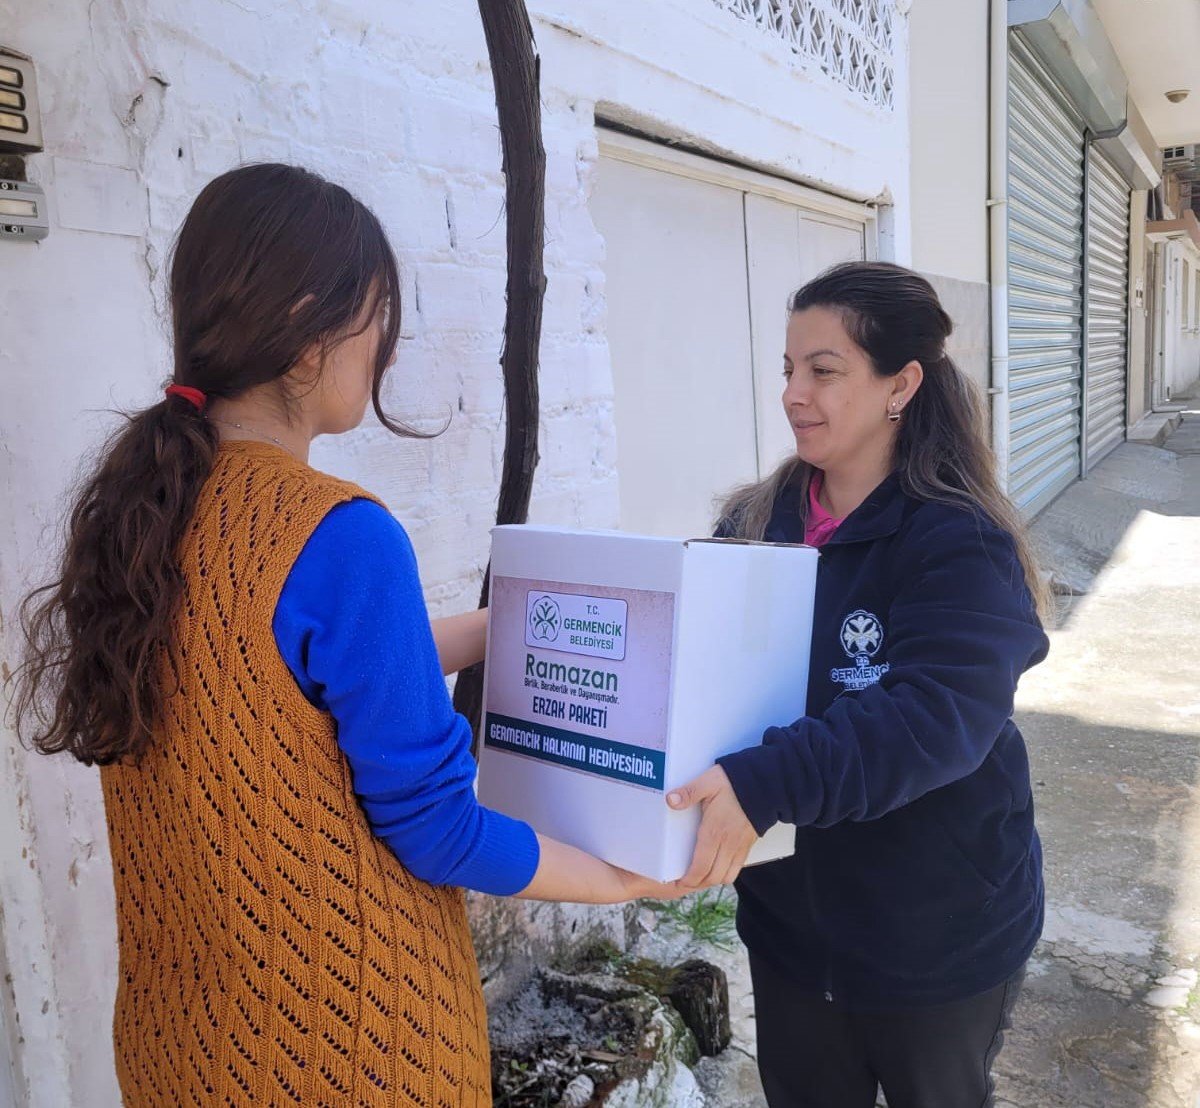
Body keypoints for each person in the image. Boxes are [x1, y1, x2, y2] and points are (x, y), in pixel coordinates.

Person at [12, 163, 682, 1107]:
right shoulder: (339, 532)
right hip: (348, 1049)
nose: (385, 350)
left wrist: (494, 630)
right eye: (376, 318)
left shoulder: (138, 511)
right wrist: (617, 880)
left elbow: (274, 678)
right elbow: (438, 832)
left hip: (182, 1050)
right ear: (305, 330)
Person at [667, 261, 1050, 1107]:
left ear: (900, 385)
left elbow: (935, 716)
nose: (794, 394)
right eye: (788, 369)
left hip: (938, 937)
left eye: (825, 371)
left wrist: (767, 781)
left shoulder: (958, 542)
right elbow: (698, 671)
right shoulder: (753, 527)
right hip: (795, 934)